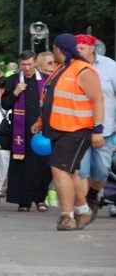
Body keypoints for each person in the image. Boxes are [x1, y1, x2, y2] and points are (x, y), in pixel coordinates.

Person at [32, 34, 104, 231]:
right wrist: (40, 121)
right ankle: (82, 210)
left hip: (77, 129)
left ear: (58, 49)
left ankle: (68, 216)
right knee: (70, 172)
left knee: (58, 168)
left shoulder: (83, 70)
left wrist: (98, 129)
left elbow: (98, 99)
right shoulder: (62, 69)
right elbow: (51, 98)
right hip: (59, 127)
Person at [1, 50, 52, 212]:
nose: (27, 68)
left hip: (41, 129)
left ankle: (40, 199)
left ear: (35, 62)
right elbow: (5, 104)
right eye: (24, 65)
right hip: (20, 130)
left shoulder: (45, 80)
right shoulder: (13, 80)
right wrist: (16, 92)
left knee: (42, 164)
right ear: (19, 64)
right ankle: (24, 201)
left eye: (30, 64)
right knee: (22, 165)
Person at [75, 34, 116, 221]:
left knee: (102, 170)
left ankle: (93, 193)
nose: (79, 51)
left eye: (82, 48)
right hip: (79, 129)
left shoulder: (109, 66)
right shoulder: (73, 67)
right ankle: (84, 208)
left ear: (92, 48)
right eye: (77, 48)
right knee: (81, 171)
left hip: (105, 130)